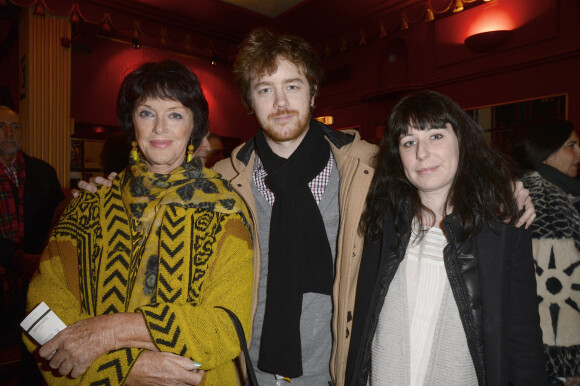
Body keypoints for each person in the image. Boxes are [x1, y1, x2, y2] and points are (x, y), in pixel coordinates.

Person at [79, 30, 536, 386]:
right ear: (248, 102)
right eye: (264, 89)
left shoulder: (371, 166)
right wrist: (107, 190)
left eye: (292, 86)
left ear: (314, 92)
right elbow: (157, 193)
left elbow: (434, 168)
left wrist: (504, 186)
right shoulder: (221, 183)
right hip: (246, 369)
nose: (280, 103)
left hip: (337, 367)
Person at [23, 60, 254, 385]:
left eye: (175, 114)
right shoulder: (87, 206)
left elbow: (227, 325)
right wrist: (124, 369)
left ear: (195, 126)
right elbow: (41, 311)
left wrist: (112, 331)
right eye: (147, 113)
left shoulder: (225, 210)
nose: (160, 128)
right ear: (132, 122)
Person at [346, 90, 545, 385]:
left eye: (436, 136)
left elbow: (523, 334)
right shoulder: (382, 220)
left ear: (461, 141)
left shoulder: (501, 226)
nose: (422, 153)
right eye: (408, 142)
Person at [512, 119, 580, 384]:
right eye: (570, 146)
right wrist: (568, 364)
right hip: (557, 360)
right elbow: (555, 288)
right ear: (545, 151)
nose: (578, 153)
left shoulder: (555, 190)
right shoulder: (545, 197)